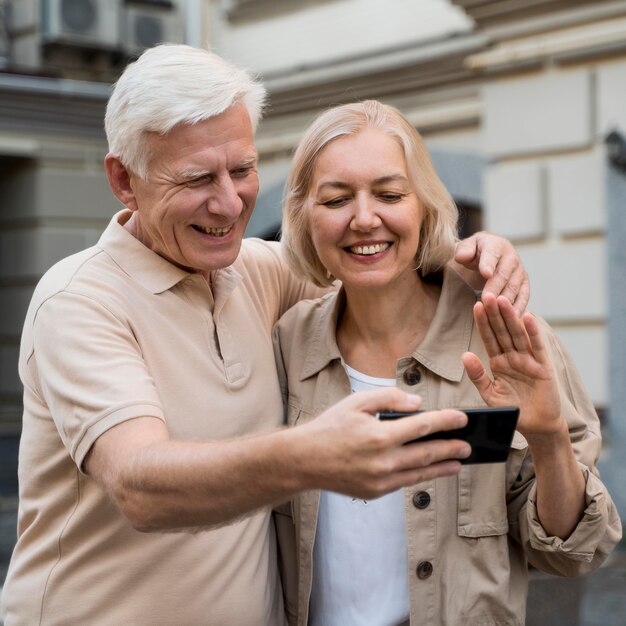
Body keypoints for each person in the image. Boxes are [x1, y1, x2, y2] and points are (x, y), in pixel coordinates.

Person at [2, 45, 531, 626]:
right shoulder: (80, 299)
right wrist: (310, 455)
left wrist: (471, 255)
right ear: (124, 180)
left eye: (244, 169)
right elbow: (139, 486)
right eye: (197, 178)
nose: (230, 203)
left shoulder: (256, 270)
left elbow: (368, 257)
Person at [273, 100, 622, 626]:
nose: (365, 218)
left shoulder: (505, 339)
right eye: (337, 198)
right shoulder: (284, 344)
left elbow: (575, 553)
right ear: (305, 215)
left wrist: (548, 437)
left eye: (390, 195)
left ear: (424, 207)